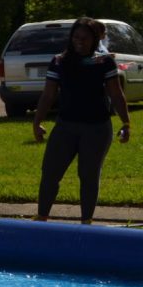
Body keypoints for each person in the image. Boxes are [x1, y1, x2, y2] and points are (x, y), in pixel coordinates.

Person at [33, 17, 131, 224]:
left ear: (95, 40)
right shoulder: (59, 61)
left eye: (85, 38)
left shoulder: (103, 62)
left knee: (88, 176)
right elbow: (48, 95)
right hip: (65, 127)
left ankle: (86, 223)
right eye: (76, 37)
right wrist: (37, 121)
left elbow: (116, 94)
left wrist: (126, 123)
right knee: (50, 173)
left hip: (96, 128)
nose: (80, 41)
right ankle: (41, 219)